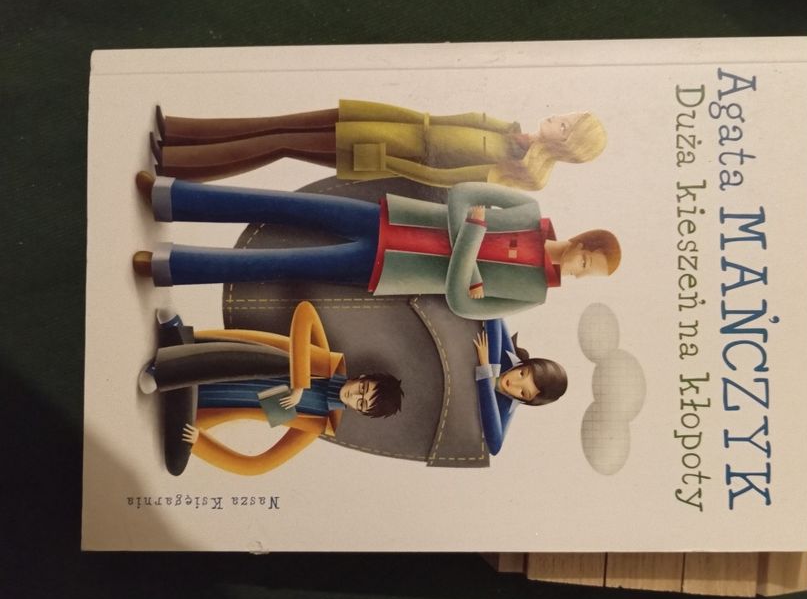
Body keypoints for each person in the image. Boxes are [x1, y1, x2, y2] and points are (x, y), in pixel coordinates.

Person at [132, 172, 622, 321]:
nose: (577, 271)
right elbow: (462, 196)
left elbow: (459, 303)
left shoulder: (532, 294)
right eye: (585, 260)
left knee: (274, 264)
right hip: (392, 218)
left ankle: (166, 266)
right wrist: (468, 265)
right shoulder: (528, 211)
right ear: (582, 240)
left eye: (586, 274)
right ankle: (171, 197)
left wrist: (471, 240)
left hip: (386, 269)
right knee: (282, 204)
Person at [140, 301, 403, 476]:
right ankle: (166, 367)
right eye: (363, 388)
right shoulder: (328, 362)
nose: (355, 395)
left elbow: (256, 466)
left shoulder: (316, 421)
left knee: (176, 464)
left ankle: (173, 355)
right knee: (260, 361)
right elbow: (305, 312)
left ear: (359, 411)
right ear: (363, 376)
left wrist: (201, 442)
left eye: (361, 402)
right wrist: (299, 384)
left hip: (204, 405)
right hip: (225, 355)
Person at [150, 100, 607, 190]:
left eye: (567, 125)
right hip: (390, 119)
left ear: (566, 145)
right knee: (280, 124)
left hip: (385, 146)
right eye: (568, 116)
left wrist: (386, 161)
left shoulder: (506, 170)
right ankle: (178, 132)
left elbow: (437, 178)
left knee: (282, 143)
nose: (560, 117)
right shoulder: (510, 128)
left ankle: (175, 163)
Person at [472, 319, 567, 455]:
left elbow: (495, 447)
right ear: (524, 364)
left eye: (523, 392)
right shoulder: (507, 353)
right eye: (522, 374)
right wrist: (493, 368)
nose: (514, 383)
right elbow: (495, 317)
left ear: (525, 401)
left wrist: (486, 369)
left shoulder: (507, 407)